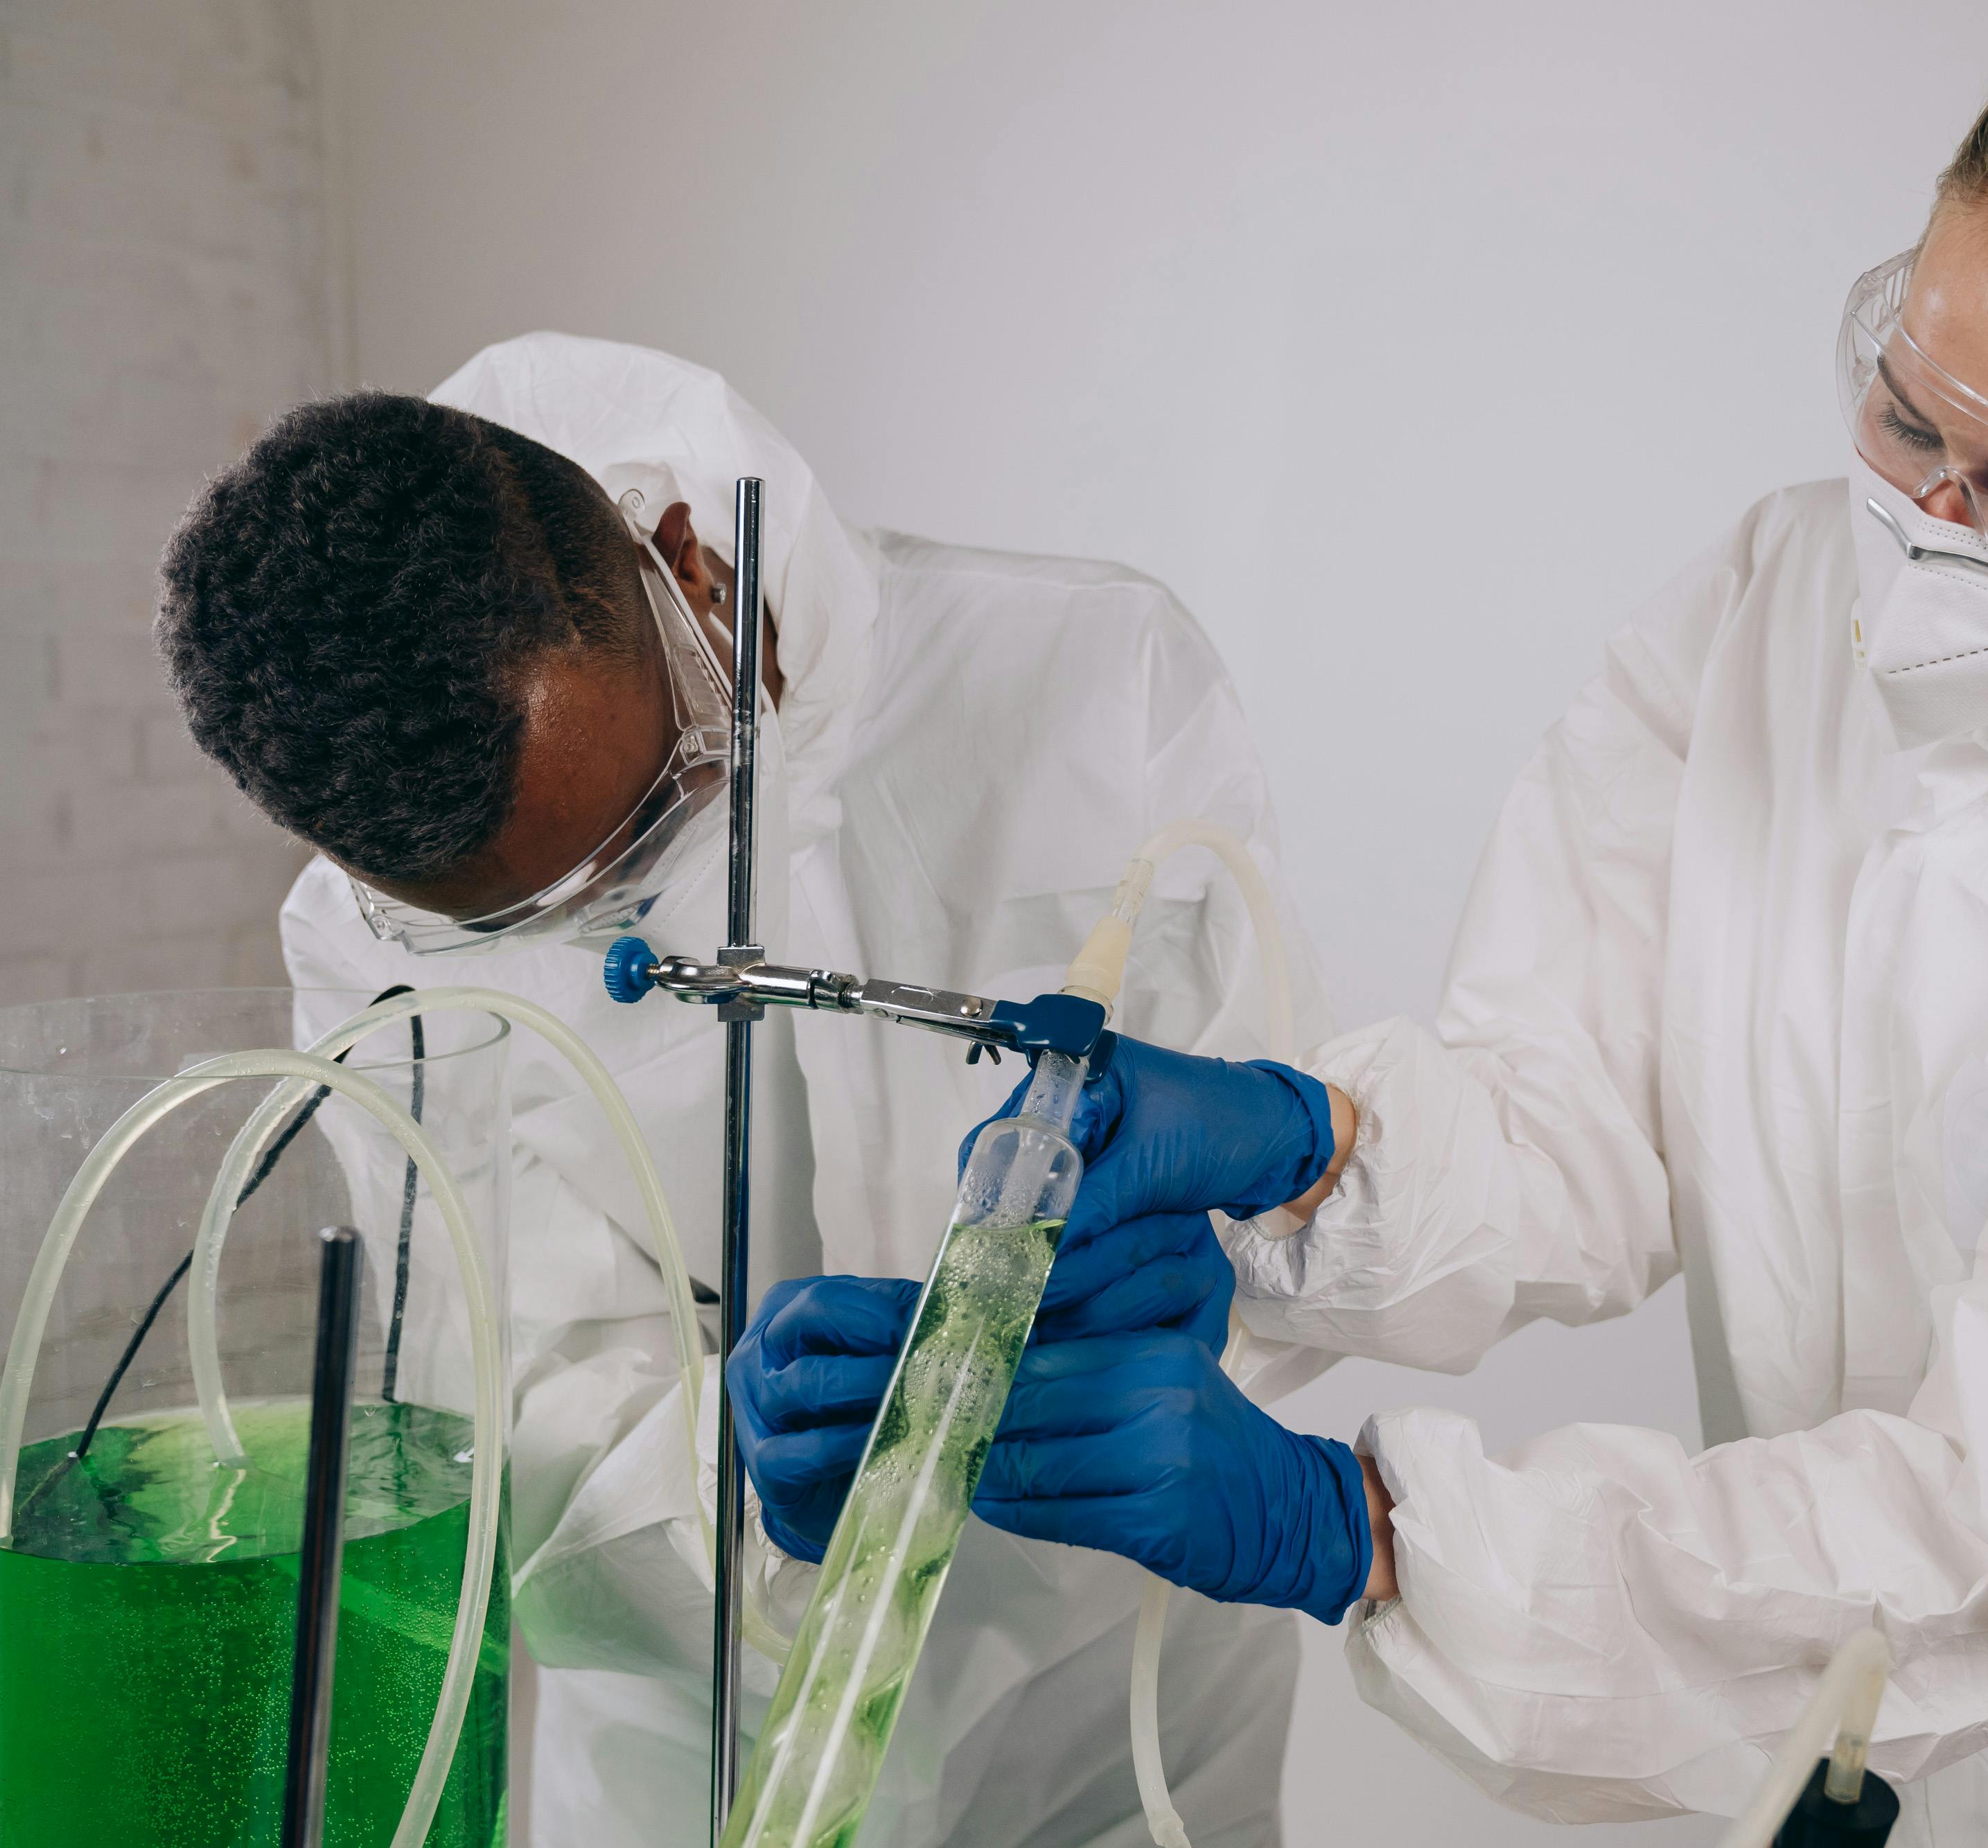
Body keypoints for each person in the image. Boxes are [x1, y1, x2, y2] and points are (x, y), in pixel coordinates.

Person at [840, 3, 1988, 1843]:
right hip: (1841, 1726)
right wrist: (1292, 1159)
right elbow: (1587, 1107)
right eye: (1907, 410)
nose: (1926, 524)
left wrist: (1363, 1531)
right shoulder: (1781, 592)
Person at [156, 333, 1327, 1847]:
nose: (637, 905)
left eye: (648, 815)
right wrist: (721, 1457)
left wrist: (1205, 1278)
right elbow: (494, 1402)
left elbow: (1301, 1181)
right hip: (699, 1732)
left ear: (686, 566)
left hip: (1112, 1679)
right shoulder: (370, 953)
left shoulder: (1088, 674)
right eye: (533, 918)